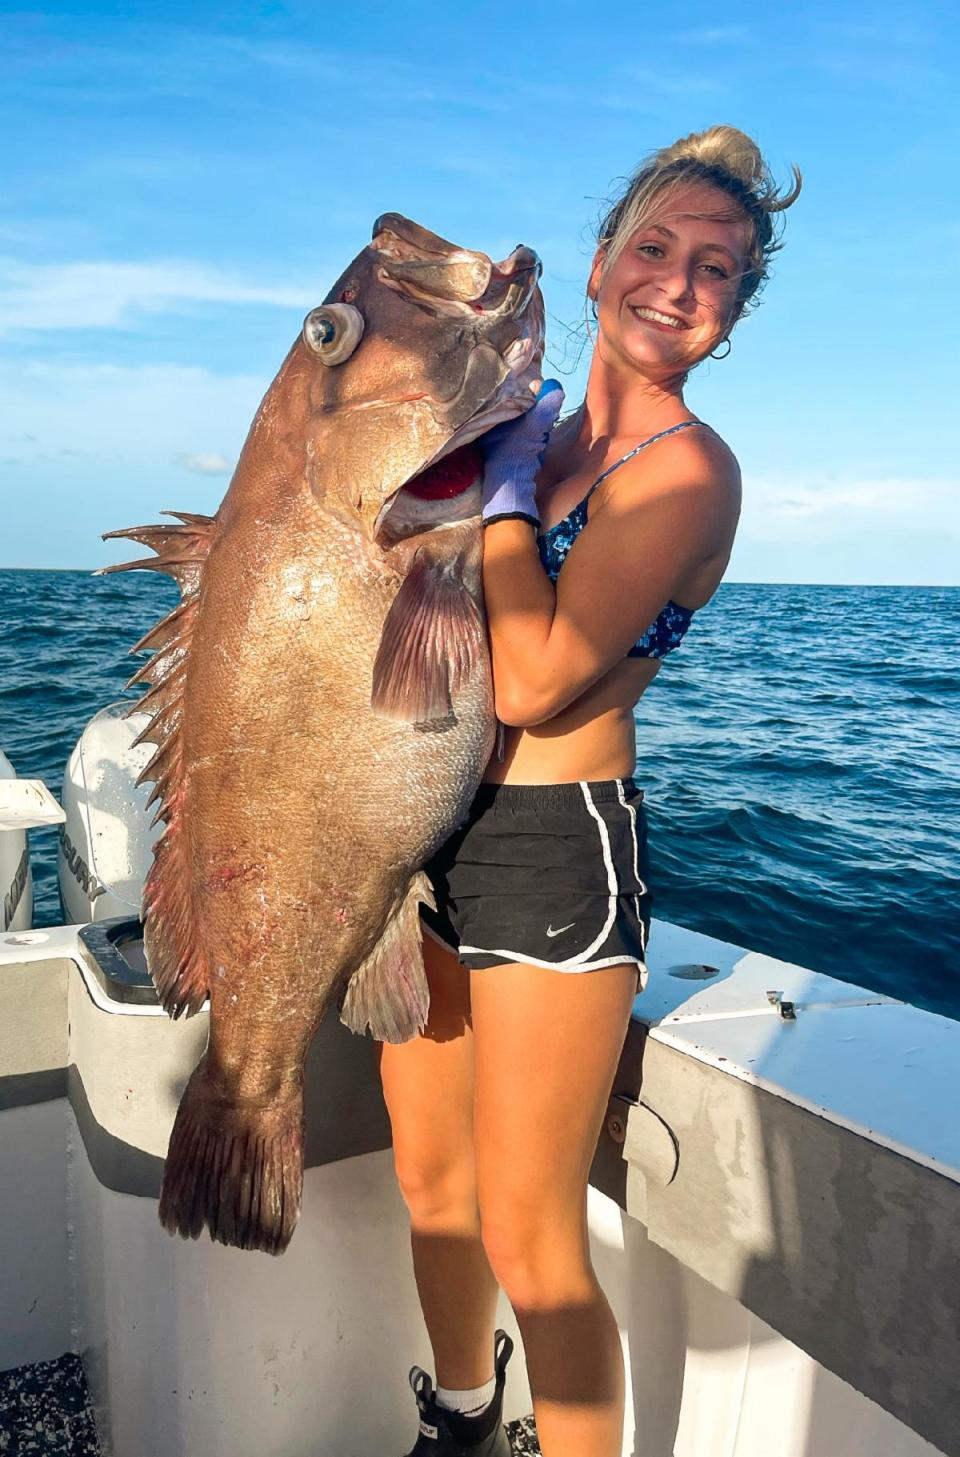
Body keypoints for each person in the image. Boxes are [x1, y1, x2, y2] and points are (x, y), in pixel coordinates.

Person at [376, 124, 801, 1457]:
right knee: (431, 1182)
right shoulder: (537, 429)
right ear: (605, 261)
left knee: (528, 1227)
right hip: (427, 826)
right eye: (658, 248)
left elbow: (537, 674)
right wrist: (466, 433)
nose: (680, 282)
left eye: (717, 270)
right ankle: (461, 1414)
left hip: (558, 852)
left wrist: (500, 499)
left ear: (731, 317)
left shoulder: (687, 471)